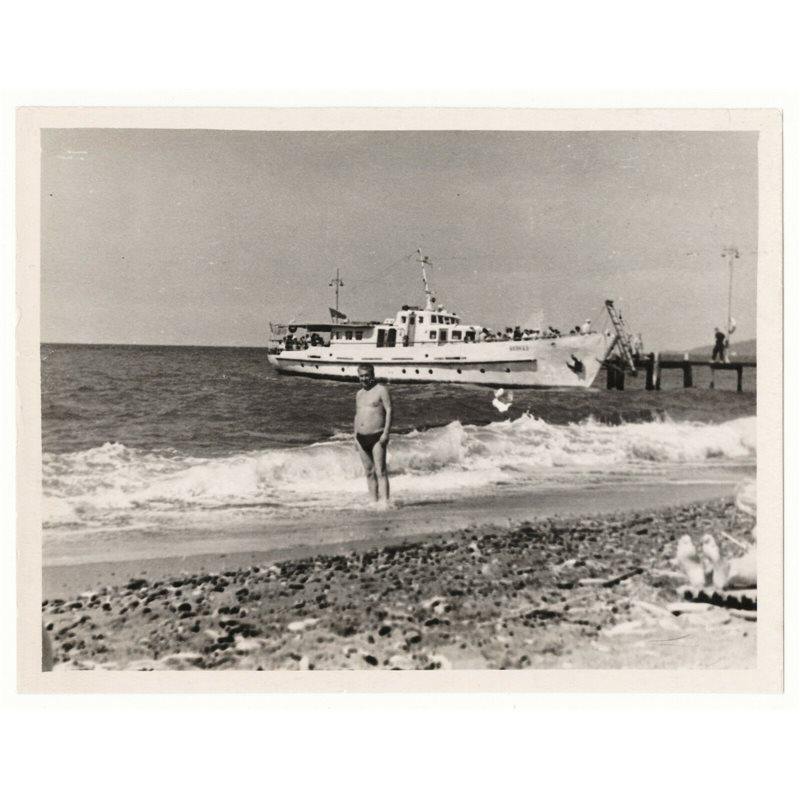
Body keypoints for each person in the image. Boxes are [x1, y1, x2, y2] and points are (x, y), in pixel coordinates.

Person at [354, 364, 392, 506]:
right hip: (360, 437)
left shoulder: (381, 390)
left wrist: (386, 433)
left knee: (380, 471)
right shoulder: (359, 394)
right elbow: (357, 415)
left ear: (372, 375)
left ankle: (385, 503)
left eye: (366, 376)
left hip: (377, 436)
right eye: (361, 376)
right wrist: (354, 436)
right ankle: (373, 502)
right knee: (369, 472)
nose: (364, 378)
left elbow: (389, 411)